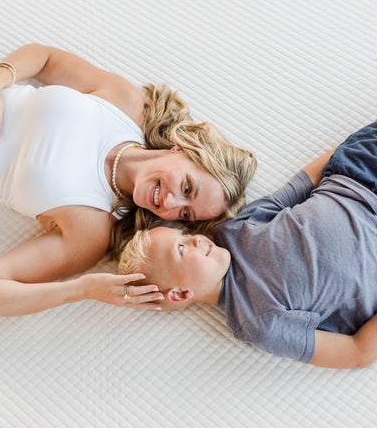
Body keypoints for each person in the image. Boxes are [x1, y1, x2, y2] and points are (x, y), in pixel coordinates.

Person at [0, 44, 256, 316]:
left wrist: (81, 288)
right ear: (183, 149)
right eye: (187, 187)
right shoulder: (126, 103)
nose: (170, 202)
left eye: (185, 214)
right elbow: (45, 58)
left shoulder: (91, 233)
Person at [118, 122, 377, 369]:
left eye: (184, 235)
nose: (196, 238)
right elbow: (357, 351)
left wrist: (342, 150)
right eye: (182, 249)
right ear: (181, 294)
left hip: (358, 172)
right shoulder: (257, 323)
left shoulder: (233, 230)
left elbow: (300, 185)